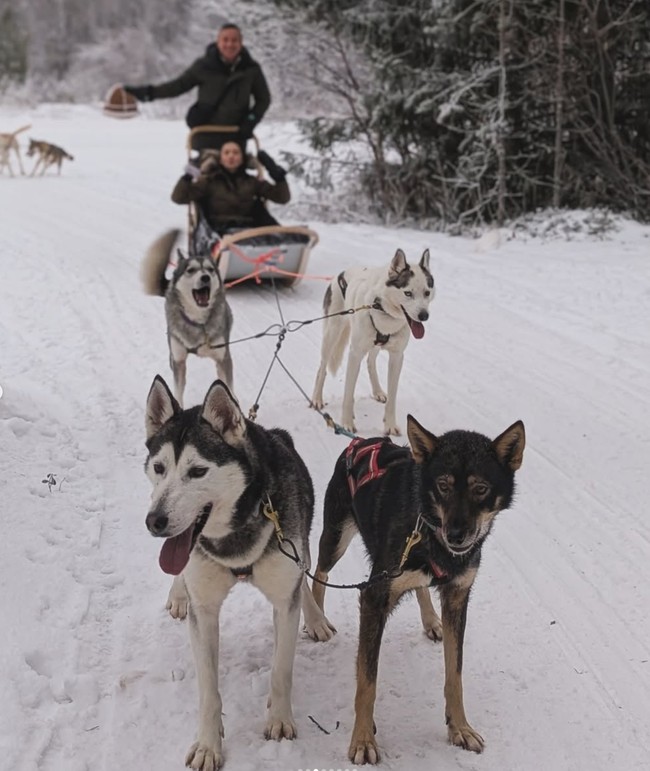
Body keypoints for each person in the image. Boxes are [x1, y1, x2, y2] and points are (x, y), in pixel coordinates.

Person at [123, 23, 270, 148]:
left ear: (241, 43)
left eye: (234, 40)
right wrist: (149, 93)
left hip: (236, 136)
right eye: (225, 40)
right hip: (206, 133)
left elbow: (264, 99)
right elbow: (178, 86)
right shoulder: (204, 66)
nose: (229, 44)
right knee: (207, 169)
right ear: (218, 42)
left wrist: (250, 121)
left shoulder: (251, 70)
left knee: (237, 172)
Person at [171, 142, 290, 232]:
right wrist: (188, 175)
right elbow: (178, 198)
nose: (231, 156)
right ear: (220, 159)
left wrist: (278, 176)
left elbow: (282, 198)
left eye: (236, 152)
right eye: (227, 153)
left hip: (249, 228)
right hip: (217, 230)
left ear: (242, 158)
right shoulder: (208, 181)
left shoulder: (252, 182)